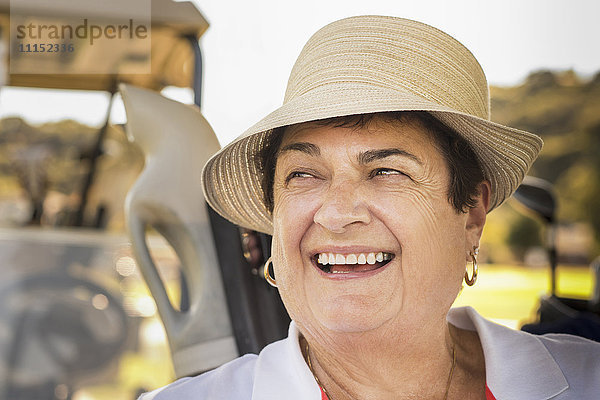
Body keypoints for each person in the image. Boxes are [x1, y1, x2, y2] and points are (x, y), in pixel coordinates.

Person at [141, 15, 600, 400]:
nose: (336, 214)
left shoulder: (586, 379)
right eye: (303, 174)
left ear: (472, 216)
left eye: (387, 172)